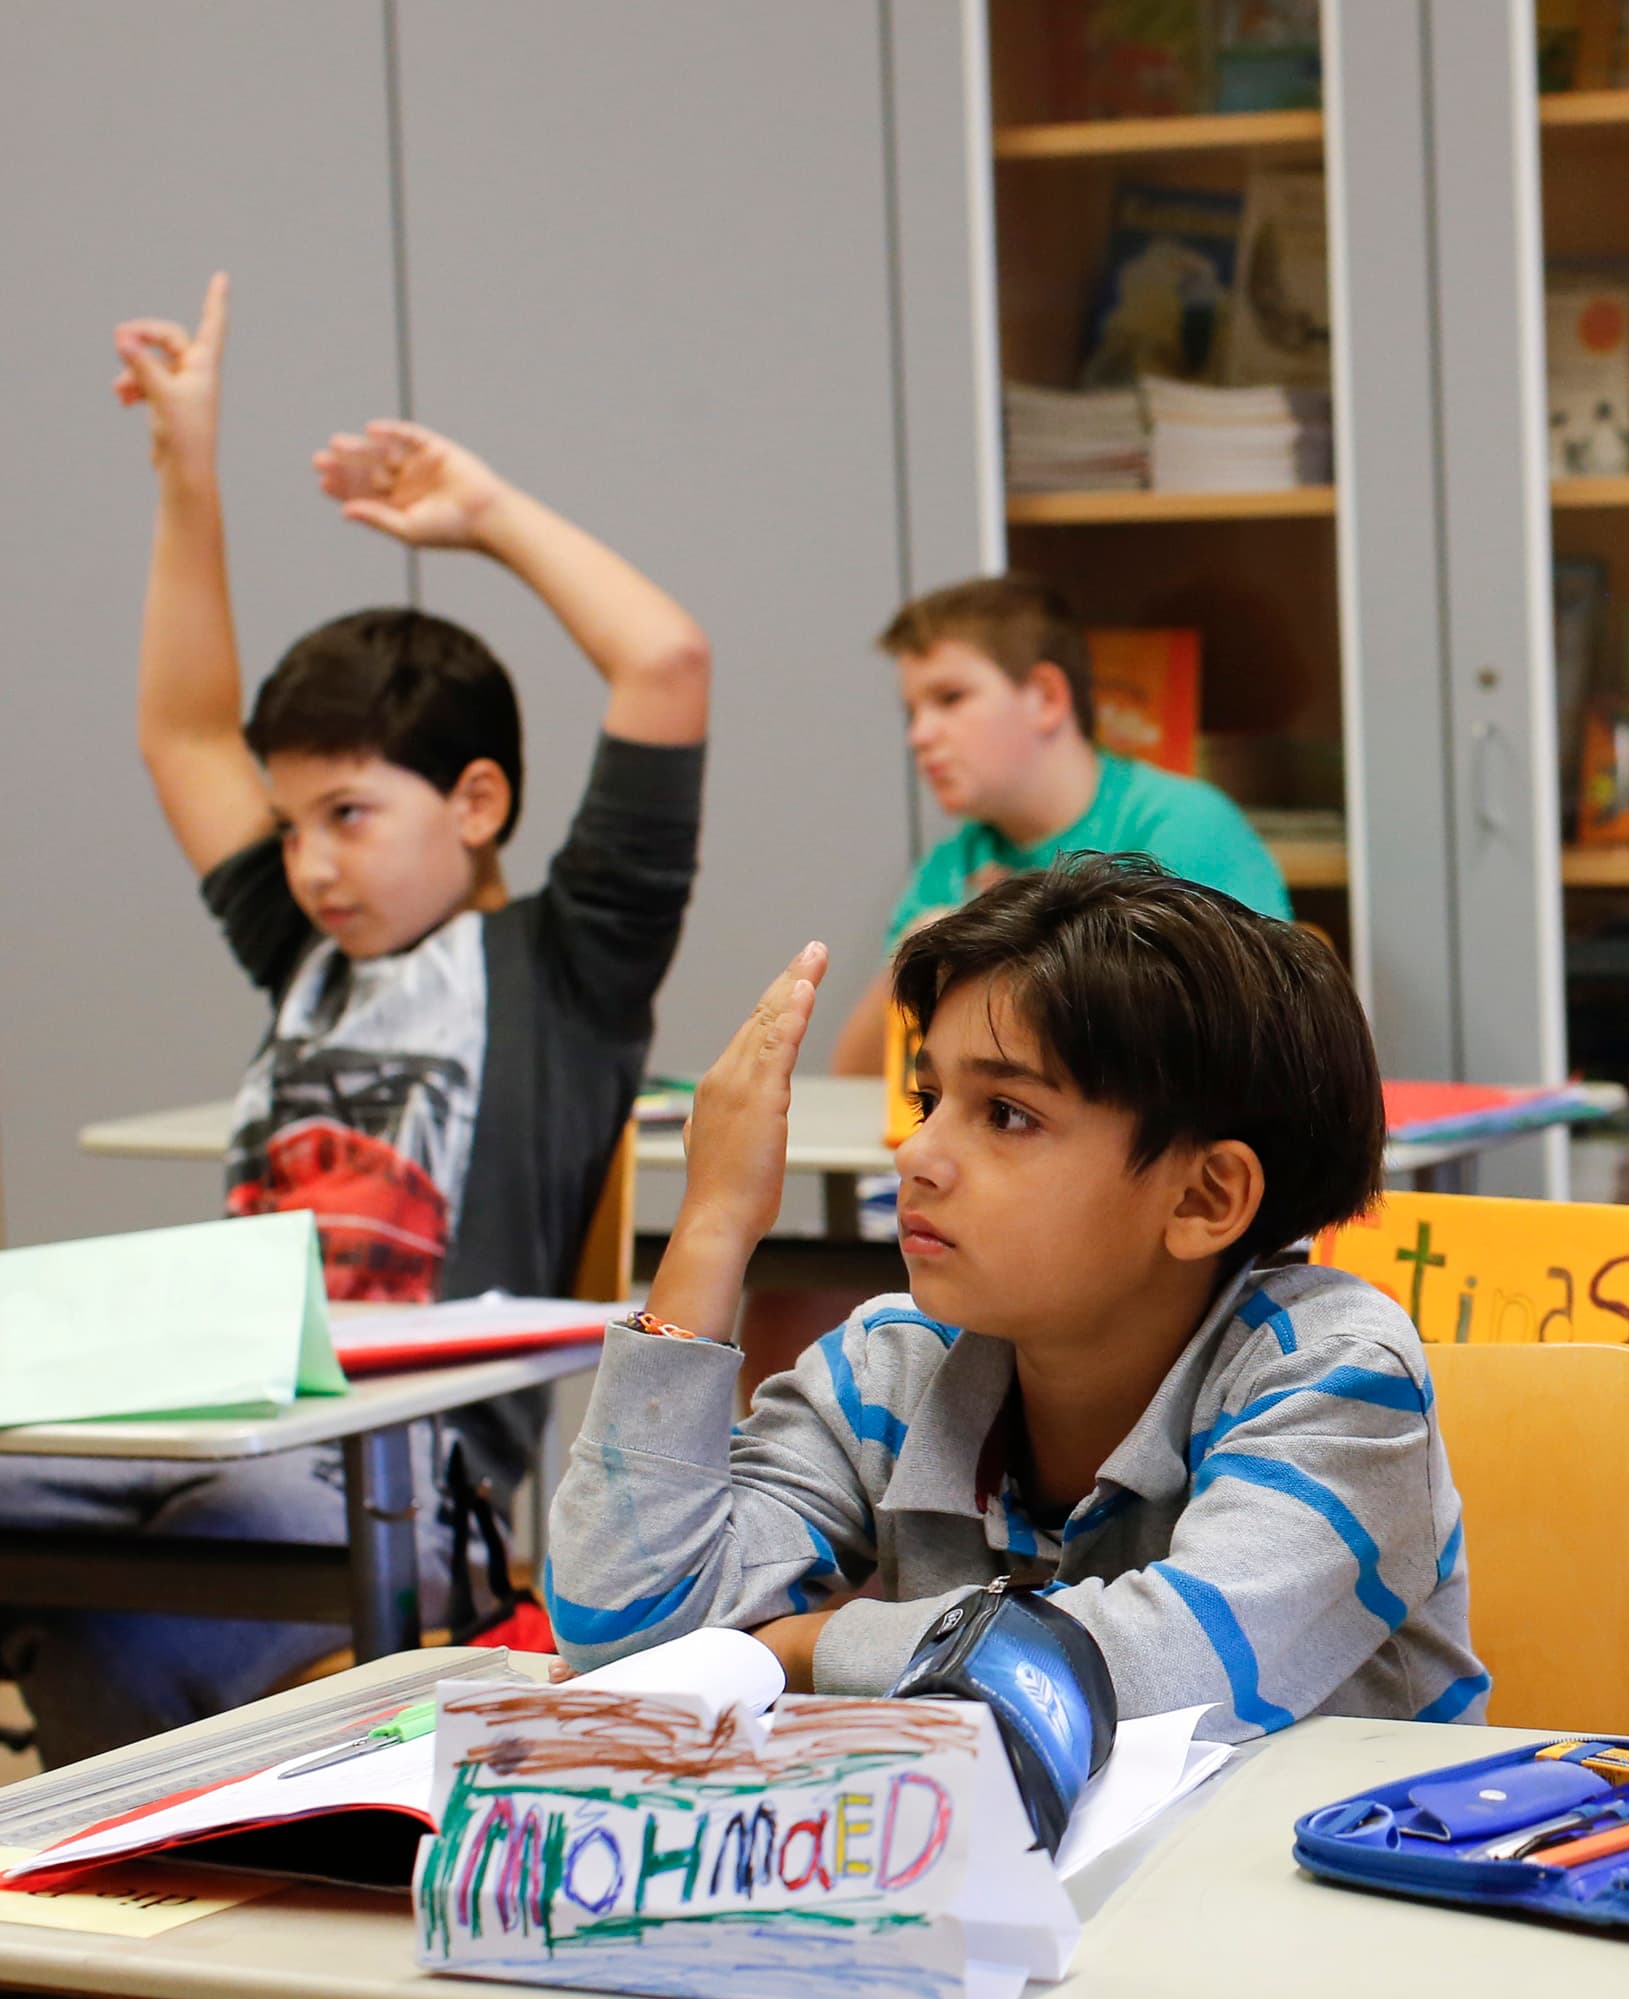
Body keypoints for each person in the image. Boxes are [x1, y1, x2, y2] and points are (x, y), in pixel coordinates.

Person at [0, 273, 709, 1764]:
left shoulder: (565, 970)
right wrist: (186, 468)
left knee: (128, 1618)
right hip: (201, 1431)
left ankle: (121, 1977)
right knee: (98, 1569)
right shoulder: (301, 944)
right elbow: (183, 730)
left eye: (349, 814)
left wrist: (489, 513)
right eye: (291, 820)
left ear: (476, 803)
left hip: (395, 1484)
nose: (310, 862)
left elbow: (665, 663)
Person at [547, 854, 1482, 1732]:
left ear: (1203, 1197)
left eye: (1007, 1114)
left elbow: (1164, 1672)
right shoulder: (894, 1363)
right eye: (928, 1100)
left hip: (1309, 1894)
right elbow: (621, 1630)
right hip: (1043, 1889)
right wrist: (713, 1223)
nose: (916, 1153)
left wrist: (807, 1645)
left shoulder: (1341, 1373)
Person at [826, 575, 1289, 1076]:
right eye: (912, 712)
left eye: (950, 698)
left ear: (1046, 697)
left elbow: (1250, 1042)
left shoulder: (1183, 827)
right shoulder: (953, 864)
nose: (920, 735)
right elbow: (856, 1078)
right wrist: (906, 961)